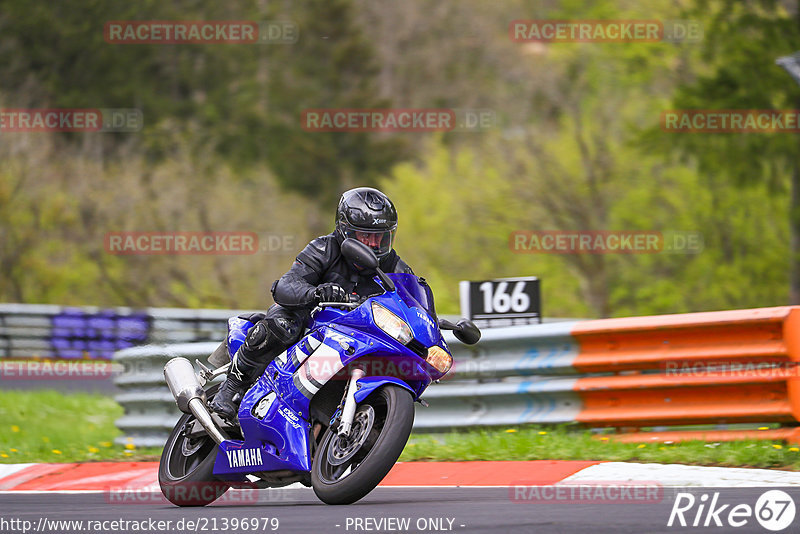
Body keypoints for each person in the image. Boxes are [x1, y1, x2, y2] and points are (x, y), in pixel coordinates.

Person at [210, 186, 413, 421]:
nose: (374, 244)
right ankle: (232, 387)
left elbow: (413, 302)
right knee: (283, 323)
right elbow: (286, 286)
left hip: (356, 337)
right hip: (311, 325)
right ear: (344, 230)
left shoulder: (396, 268)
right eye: (366, 236)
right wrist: (316, 293)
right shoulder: (324, 248)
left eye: (380, 237)